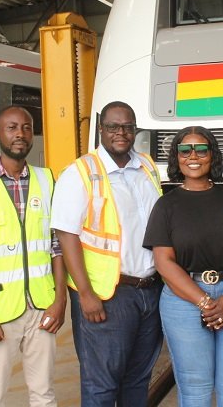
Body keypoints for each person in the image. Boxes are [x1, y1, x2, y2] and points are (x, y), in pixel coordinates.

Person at [51, 101, 163, 406]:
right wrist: (86, 294)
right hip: (108, 295)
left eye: (128, 126)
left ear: (135, 129)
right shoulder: (80, 173)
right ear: (101, 129)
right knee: (101, 385)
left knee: (138, 380)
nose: (121, 133)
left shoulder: (147, 167)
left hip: (149, 290)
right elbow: (65, 235)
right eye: (113, 126)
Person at [0, 106, 67, 407]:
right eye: (12, 127)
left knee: (44, 394)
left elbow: (56, 244)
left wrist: (59, 301)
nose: (20, 133)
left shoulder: (47, 180)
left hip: (42, 306)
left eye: (27, 127)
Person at [144, 127, 223, 406]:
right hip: (184, 301)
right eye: (185, 150)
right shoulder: (166, 205)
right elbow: (164, 262)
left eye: (201, 149)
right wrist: (205, 301)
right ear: (177, 157)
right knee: (195, 388)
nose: (193, 156)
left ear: (213, 155)